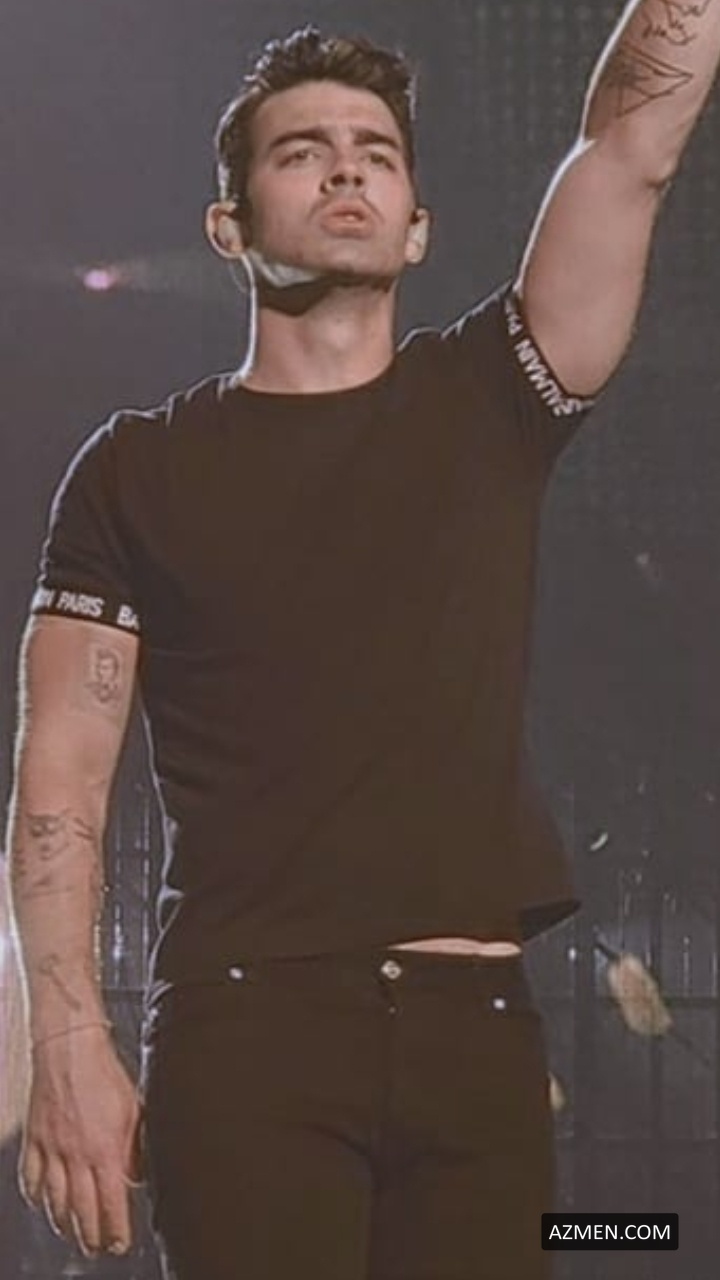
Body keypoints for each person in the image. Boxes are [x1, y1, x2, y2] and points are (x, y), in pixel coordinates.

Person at [6, 8, 720, 1279]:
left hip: (474, 1031)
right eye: (303, 151)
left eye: (376, 152)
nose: (346, 168)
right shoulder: (135, 471)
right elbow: (60, 773)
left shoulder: (490, 395)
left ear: (418, 225)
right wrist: (68, 1047)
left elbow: (631, 150)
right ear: (228, 226)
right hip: (247, 1027)